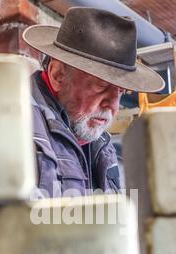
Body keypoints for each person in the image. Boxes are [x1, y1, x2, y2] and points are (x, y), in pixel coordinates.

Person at [23, 7, 164, 197]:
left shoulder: (101, 145)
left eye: (121, 91)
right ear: (58, 75)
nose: (113, 106)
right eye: (102, 86)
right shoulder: (17, 128)